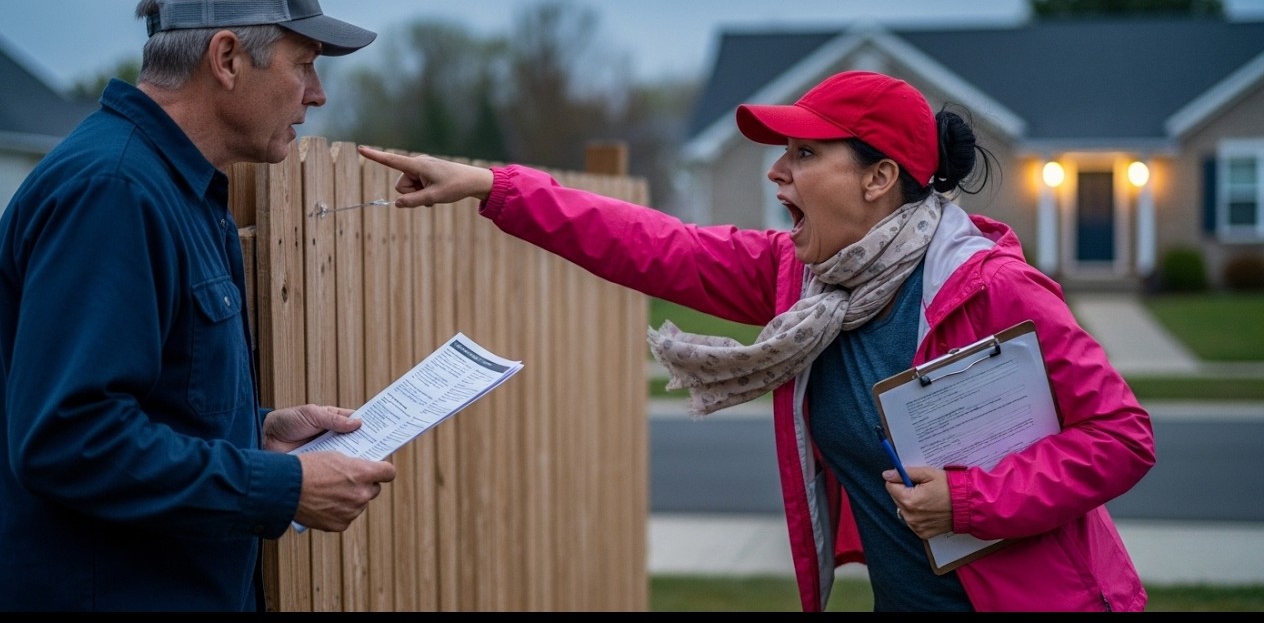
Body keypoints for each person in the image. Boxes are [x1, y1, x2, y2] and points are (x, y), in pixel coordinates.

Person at [356, 70, 1157, 612]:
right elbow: (652, 244)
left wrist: (974, 501)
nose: (778, 173)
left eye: (806, 154)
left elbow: (1123, 436)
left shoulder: (991, 289)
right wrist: (496, 187)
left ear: (879, 179)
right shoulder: (801, 282)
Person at [0, 0, 397, 612]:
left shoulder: (178, 190)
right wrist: (280, 488)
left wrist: (257, 433)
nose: (317, 95)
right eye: (304, 66)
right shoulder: (113, 192)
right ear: (227, 58)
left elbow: (153, 397)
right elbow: (71, 439)